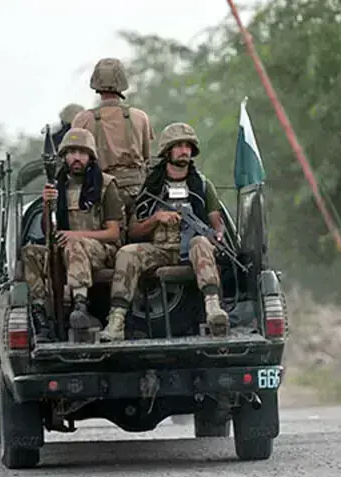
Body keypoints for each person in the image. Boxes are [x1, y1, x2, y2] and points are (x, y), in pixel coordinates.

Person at [98, 122, 228, 342]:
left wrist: (217, 235)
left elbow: (216, 221)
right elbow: (135, 230)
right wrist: (156, 218)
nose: (184, 151)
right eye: (178, 146)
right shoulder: (152, 187)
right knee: (127, 253)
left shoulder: (202, 185)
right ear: (167, 151)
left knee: (202, 243)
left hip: (192, 250)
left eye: (188, 146)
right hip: (160, 250)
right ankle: (116, 320)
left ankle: (213, 309)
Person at [21, 128, 124, 343]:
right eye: (71, 152)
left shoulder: (105, 185)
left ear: (90, 156)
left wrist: (74, 235)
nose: (76, 157)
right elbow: (49, 232)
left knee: (74, 244)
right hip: (65, 249)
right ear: (64, 156)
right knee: (30, 252)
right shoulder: (58, 185)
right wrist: (48, 204)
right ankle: (41, 316)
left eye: (82, 152)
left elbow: (113, 233)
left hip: (100, 251)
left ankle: (80, 305)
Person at [72, 58, 155, 227]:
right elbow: (147, 158)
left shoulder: (82, 119)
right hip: (137, 192)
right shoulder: (140, 117)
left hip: (100, 192)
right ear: (123, 82)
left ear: (95, 82)